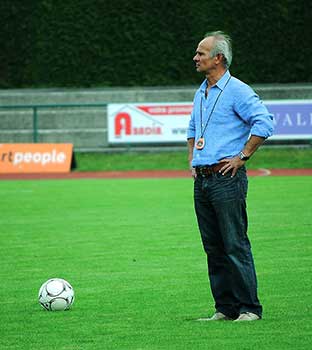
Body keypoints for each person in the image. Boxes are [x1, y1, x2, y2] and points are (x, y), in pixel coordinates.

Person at [187, 31, 274, 321]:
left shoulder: (237, 90)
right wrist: (193, 159)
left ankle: (249, 308)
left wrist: (243, 156)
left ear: (218, 58)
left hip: (226, 179)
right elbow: (191, 130)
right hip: (203, 179)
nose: (195, 57)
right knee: (213, 247)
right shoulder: (202, 91)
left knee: (235, 243)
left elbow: (264, 122)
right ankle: (225, 308)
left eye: (201, 53)